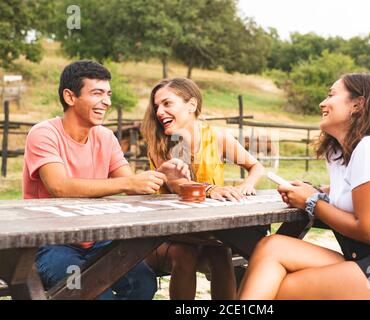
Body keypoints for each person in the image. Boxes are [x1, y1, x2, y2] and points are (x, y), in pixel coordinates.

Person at [238, 73, 370, 300]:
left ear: (357, 104)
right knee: (273, 246)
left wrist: (312, 201)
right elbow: (353, 196)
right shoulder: (341, 154)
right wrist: (317, 192)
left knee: (279, 290)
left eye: (331, 95)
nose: (322, 103)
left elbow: (369, 231)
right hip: (369, 260)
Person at [24, 60, 190, 300]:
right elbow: (59, 186)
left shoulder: (106, 137)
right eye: (97, 93)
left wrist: (162, 176)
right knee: (92, 293)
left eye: (108, 94)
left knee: (143, 284)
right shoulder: (44, 133)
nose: (107, 102)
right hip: (50, 242)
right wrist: (128, 184)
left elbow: (132, 185)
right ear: (70, 97)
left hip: (98, 240)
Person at [141, 77, 265, 300]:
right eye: (157, 106)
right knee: (192, 252)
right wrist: (209, 190)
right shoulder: (161, 141)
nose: (159, 112)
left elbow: (255, 166)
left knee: (221, 251)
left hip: (209, 226)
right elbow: (176, 184)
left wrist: (247, 185)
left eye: (167, 104)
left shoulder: (216, 137)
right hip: (171, 229)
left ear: (191, 105)